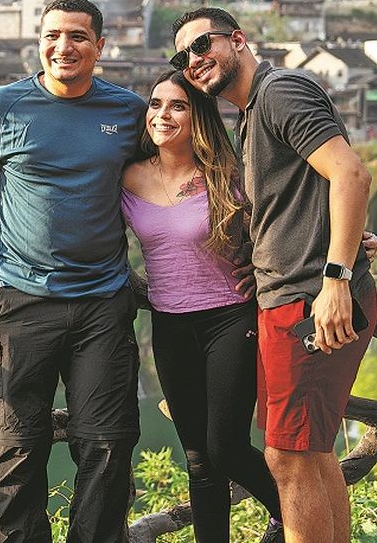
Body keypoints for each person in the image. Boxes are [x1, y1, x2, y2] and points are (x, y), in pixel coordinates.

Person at [172, 6, 377, 543]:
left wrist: (337, 277)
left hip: (310, 303)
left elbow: (350, 174)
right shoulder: (251, 116)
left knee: (286, 457)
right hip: (289, 298)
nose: (193, 60)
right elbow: (308, 195)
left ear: (237, 40)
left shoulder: (280, 91)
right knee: (312, 451)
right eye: (182, 56)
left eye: (202, 45)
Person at [0, 0, 146, 543]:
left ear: (99, 46)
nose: (64, 47)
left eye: (78, 36)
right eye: (52, 35)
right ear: (39, 43)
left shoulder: (128, 112)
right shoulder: (3, 106)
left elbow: (180, 175)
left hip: (103, 304)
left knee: (108, 445)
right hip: (21, 303)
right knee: (15, 448)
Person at [122, 69, 284, 543]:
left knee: (226, 448)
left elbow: (282, 219)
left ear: (199, 117)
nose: (163, 114)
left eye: (178, 105)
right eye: (156, 104)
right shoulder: (128, 177)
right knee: (198, 460)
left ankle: (291, 515)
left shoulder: (227, 174)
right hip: (169, 326)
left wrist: (354, 243)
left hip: (229, 318)